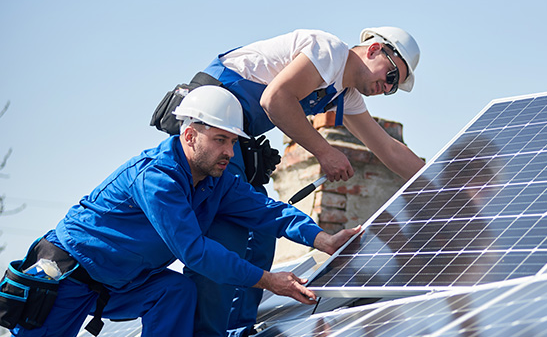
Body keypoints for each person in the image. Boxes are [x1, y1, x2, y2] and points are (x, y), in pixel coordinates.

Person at [4, 86, 360, 337]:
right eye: (219, 140)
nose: (228, 152)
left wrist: (322, 238)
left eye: (233, 142)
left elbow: (267, 211)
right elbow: (196, 252)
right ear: (189, 135)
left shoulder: (217, 180)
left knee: (175, 292)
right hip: (68, 277)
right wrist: (268, 280)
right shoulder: (156, 178)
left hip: (124, 284)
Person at [154, 27, 427, 336]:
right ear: (376, 49)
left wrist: (439, 184)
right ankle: (207, 332)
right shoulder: (329, 52)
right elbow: (275, 99)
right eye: (392, 76)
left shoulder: (344, 93)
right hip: (210, 130)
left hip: (236, 139)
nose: (386, 88)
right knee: (229, 235)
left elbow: (388, 148)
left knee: (260, 236)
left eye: (393, 88)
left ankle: (238, 329)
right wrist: (325, 151)